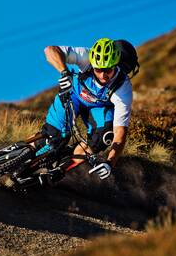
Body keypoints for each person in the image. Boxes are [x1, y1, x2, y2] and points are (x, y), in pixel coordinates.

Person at [39, 37, 133, 182]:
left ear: (116, 65)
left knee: (104, 137)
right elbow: (50, 50)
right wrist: (64, 72)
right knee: (54, 136)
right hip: (74, 95)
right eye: (98, 69)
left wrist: (109, 162)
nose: (103, 75)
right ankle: (25, 151)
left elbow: (120, 131)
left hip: (97, 108)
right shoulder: (86, 56)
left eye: (108, 70)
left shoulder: (122, 87)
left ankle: (61, 170)